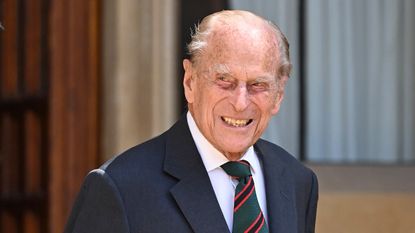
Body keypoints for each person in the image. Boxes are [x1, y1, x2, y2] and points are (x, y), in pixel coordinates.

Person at [64, 10, 318, 233]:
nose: (241, 102)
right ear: (190, 82)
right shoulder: (120, 188)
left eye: (258, 84)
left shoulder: (297, 182)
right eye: (224, 80)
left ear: (278, 95)